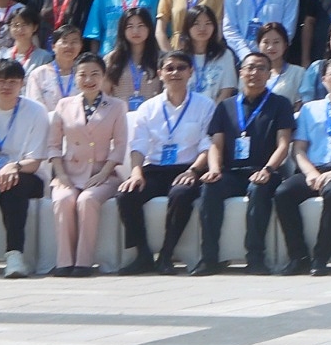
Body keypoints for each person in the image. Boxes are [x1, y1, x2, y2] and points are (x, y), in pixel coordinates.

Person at [118, 52, 218, 274]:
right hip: (154, 170)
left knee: (181, 194)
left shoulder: (205, 105)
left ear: (191, 72)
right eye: (169, 68)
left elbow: (207, 145)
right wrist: (136, 173)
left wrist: (194, 171)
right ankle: (143, 254)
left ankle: (166, 255)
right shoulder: (148, 107)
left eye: (181, 68)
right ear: (160, 73)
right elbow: (139, 146)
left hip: (188, 168)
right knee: (126, 194)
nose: (175, 73)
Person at [40, 51, 127, 278]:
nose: (88, 80)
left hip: (102, 174)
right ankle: (64, 262)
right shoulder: (64, 105)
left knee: (87, 200)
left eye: (95, 74)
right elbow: (54, 145)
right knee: (63, 200)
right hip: (68, 173)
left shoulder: (116, 106)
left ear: (103, 76)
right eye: (82, 74)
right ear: (75, 77)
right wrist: (60, 174)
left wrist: (104, 173)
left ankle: (84, 262)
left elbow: (119, 146)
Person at [215, 51, 302, 275]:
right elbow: (216, 144)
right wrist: (214, 169)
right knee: (209, 188)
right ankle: (209, 257)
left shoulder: (280, 104)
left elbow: (283, 144)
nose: (255, 72)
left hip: (265, 172)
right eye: (250, 68)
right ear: (241, 72)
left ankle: (255, 257)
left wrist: (268, 169)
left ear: (269, 74)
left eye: (261, 68)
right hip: (232, 172)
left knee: (258, 188)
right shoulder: (225, 106)